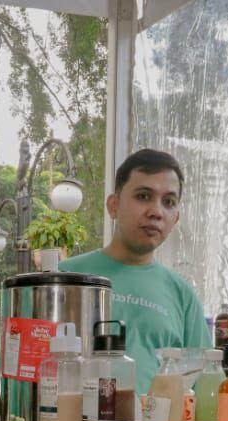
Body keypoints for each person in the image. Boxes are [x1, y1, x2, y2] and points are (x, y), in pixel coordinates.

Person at [61, 149, 211, 392]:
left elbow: (206, 386)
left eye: (169, 202)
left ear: (176, 219)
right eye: (143, 196)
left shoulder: (183, 295)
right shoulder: (64, 278)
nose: (156, 211)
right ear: (113, 206)